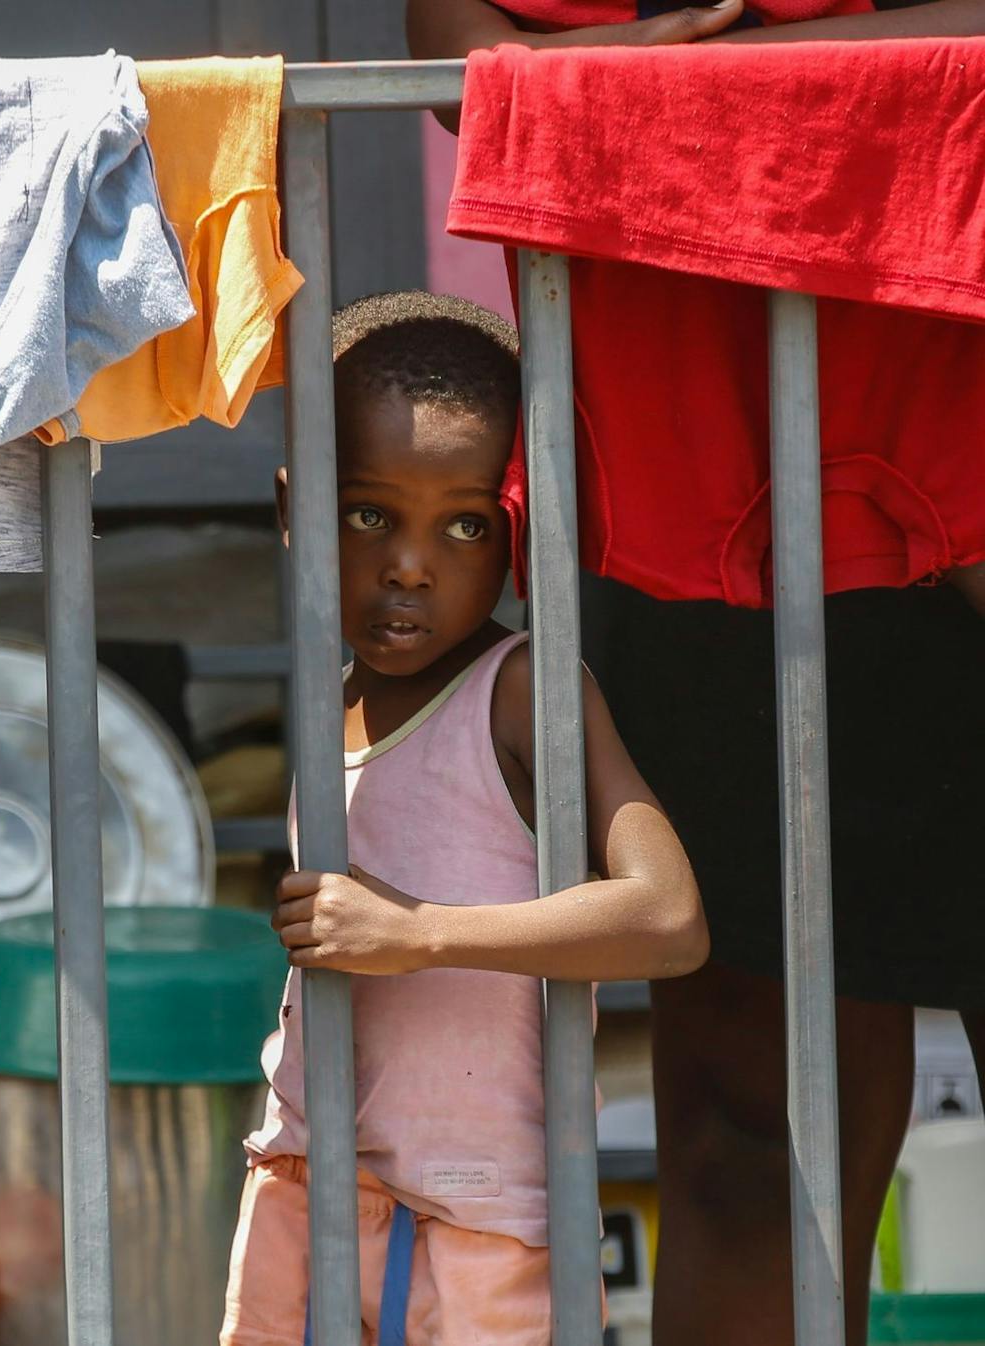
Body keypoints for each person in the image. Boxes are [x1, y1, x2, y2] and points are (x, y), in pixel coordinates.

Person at [409, 5, 985, 1343]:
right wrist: (649, 86)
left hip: (948, 347)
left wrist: (689, 82)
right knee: (743, 1129)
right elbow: (449, 39)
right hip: (687, 421)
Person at [220, 292, 707, 1345]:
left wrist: (417, 931)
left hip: (478, 1224)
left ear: (521, 532)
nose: (409, 563)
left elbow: (667, 917)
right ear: (292, 508)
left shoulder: (522, 687)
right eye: (366, 515)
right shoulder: (321, 701)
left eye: (463, 524)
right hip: (307, 1186)